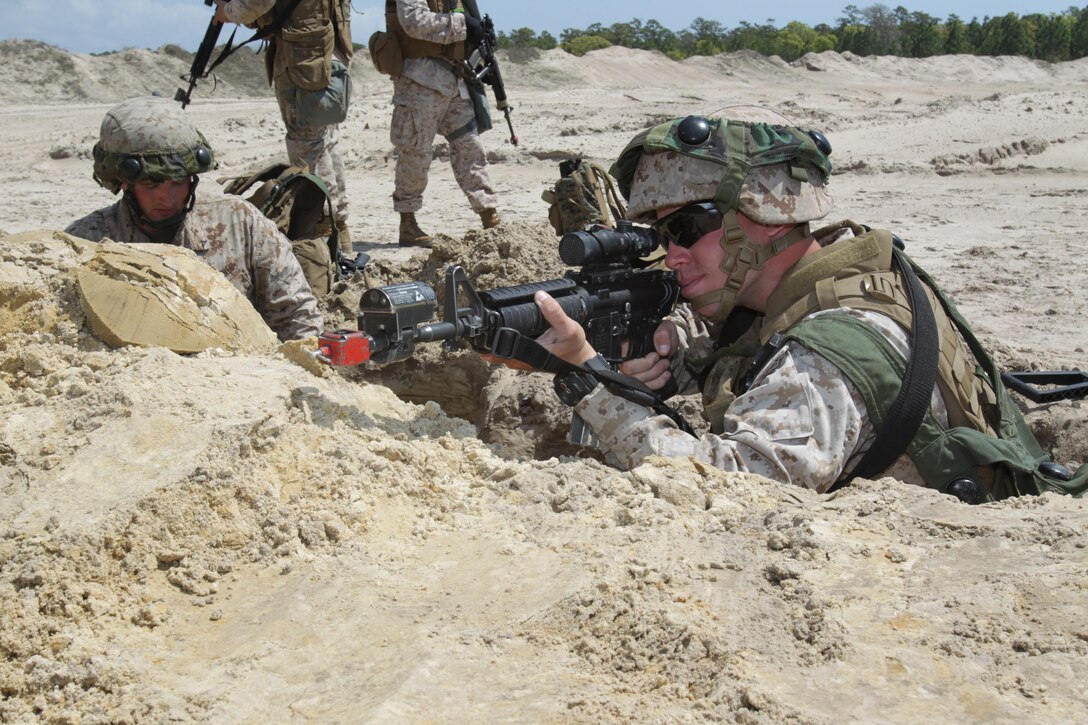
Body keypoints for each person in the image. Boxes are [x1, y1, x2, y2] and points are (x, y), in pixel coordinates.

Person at [505, 106, 1080, 503]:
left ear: (764, 215)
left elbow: (729, 489)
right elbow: (747, 341)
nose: (671, 253)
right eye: (659, 234)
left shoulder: (827, 351)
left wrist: (592, 384)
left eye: (685, 227)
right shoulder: (838, 269)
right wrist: (673, 352)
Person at [66, 96, 322, 342]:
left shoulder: (238, 222)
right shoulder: (87, 242)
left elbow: (297, 317)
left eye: (178, 182)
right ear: (122, 183)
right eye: (151, 185)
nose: (167, 198)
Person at [214, 0, 353, 246]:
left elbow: (257, 3)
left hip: (304, 61)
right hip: (326, 52)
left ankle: (323, 231)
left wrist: (227, 11)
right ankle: (339, 227)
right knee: (325, 141)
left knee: (307, 144)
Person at [387, 0, 501, 248]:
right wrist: (465, 26)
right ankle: (408, 222)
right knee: (415, 153)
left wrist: (479, 46)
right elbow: (413, 21)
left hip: (455, 78)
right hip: (419, 80)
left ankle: (488, 214)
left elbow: (461, 25)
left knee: (470, 147)